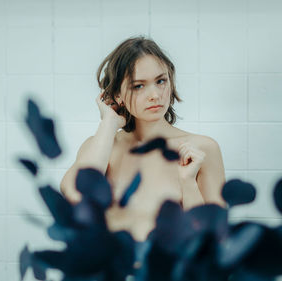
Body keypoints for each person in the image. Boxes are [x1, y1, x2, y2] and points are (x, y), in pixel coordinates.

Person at [59, 36, 226, 244]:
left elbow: (215, 240)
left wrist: (188, 184)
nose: (155, 95)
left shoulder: (201, 149)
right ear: (117, 95)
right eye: (138, 86)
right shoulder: (100, 147)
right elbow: (74, 196)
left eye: (160, 81)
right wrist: (109, 123)